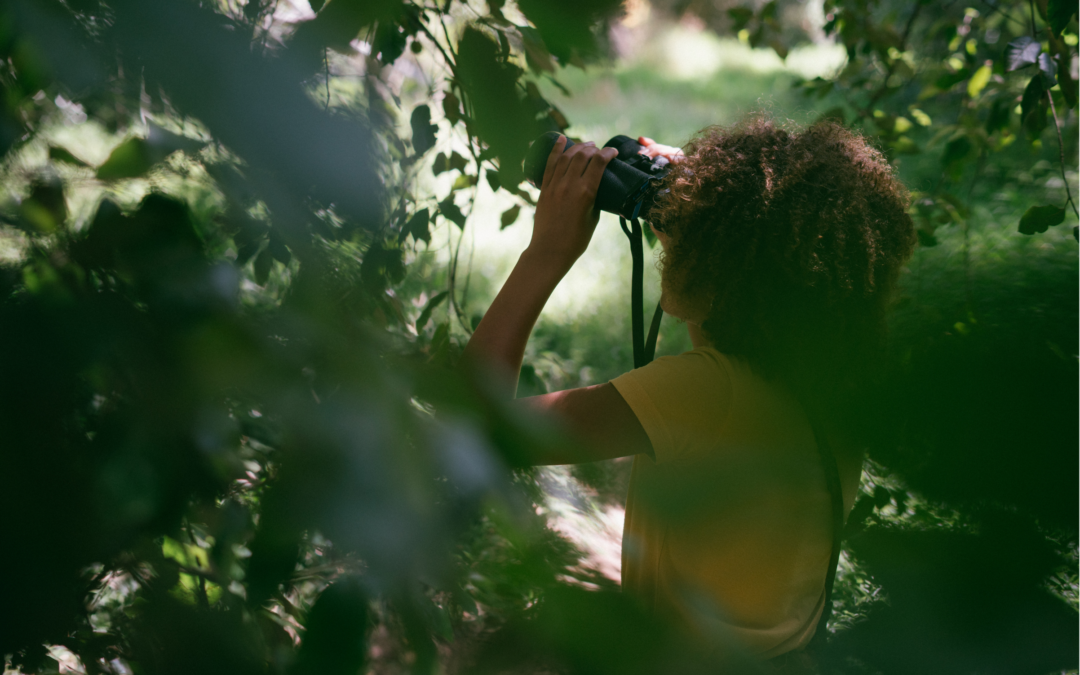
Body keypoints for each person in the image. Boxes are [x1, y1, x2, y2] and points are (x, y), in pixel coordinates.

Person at [461, 115, 916, 664]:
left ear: (722, 273)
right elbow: (725, 336)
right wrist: (700, 215)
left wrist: (548, 253)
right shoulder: (831, 377)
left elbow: (476, 427)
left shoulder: (703, 395)